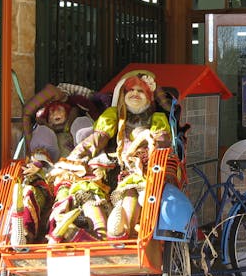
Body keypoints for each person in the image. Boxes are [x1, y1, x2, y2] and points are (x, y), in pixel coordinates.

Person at [48, 70, 173, 241]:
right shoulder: (114, 114)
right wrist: (72, 158)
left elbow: (162, 140)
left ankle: (122, 232)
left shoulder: (157, 118)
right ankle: (100, 232)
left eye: (141, 91)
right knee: (88, 188)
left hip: (137, 166)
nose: (135, 94)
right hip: (109, 163)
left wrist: (143, 139)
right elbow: (96, 140)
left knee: (131, 190)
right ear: (124, 94)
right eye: (131, 90)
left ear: (149, 97)